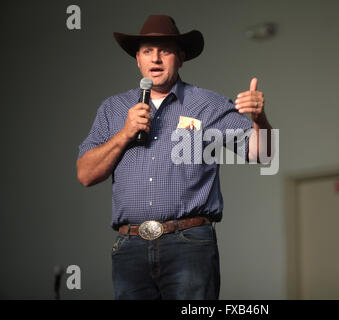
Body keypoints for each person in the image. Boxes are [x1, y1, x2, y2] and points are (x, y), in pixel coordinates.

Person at [76, 14, 273, 300]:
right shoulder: (113, 109)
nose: (155, 59)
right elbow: (85, 174)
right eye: (147, 51)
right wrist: (125, 133)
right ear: (138, 60)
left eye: (165, 51)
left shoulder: (207, 104)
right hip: (129, 247)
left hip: (189, 246)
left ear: (181, 58)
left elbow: (264, 154)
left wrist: (260, 119)